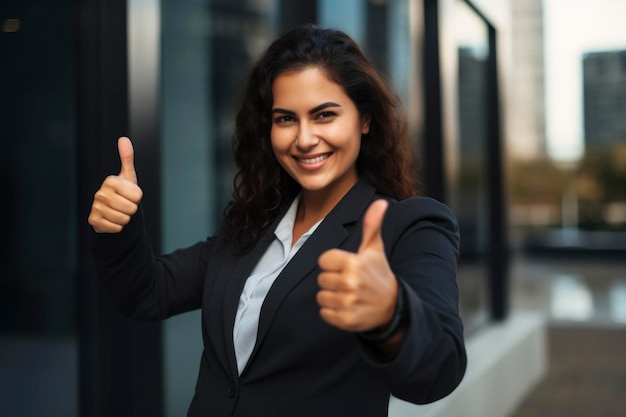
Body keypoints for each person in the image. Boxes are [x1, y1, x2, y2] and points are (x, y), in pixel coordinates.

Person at [88, 24, 466, 416]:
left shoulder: (411, 226)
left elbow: (440, 371)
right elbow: (147, 292)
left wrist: (391, 315)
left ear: (364, 120)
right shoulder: (253, 223)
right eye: (286, 119)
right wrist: (117, 227)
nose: (304, 139)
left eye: (324, 115)